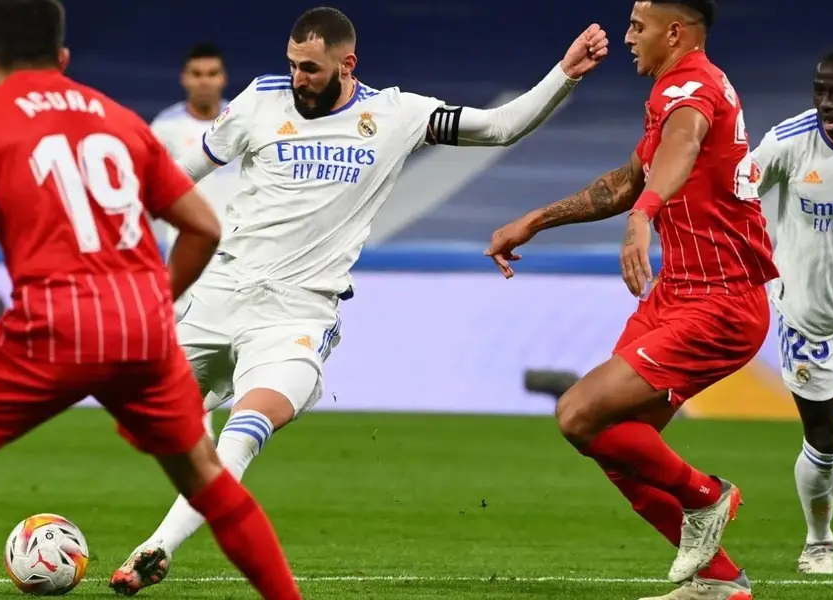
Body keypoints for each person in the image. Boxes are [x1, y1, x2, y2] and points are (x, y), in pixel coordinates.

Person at [109, 5, 609, 595]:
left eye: (312, 69)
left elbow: (500, 126)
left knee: (242, 431)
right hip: (217, 298)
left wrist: (564, 75)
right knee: (134, 415)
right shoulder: (259, 101)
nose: (298, 79)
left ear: (348, 64)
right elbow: (177, 175)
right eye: (293, 65)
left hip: (297, 316)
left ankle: (155, 550)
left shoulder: (395, 114)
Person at [0, 1, 301, 598]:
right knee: (205, 475)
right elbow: (203, 226)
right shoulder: (119, 119)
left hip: (54, 325)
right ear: (64, 57)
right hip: (142, 330)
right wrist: (156, 303)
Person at [484, 1, 772, 599]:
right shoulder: (673, 90)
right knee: (614, 446)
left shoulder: (692, 88)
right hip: (679, 293)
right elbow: (628, 180)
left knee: (577, 412)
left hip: (720, 301)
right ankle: (721, 585)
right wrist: (535, 220)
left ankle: (708, 494)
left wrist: (646, 215)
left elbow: (684, 146)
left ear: (675, 32)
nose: (628, 37)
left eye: (638, 27)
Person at [750, 46, 833, 576]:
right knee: (824, 440)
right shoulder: (788, 141)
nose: (825, 101)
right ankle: (818, 540)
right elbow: (735, 193)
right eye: (819, 89)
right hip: (808, 315)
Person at [148, 42, 239, 438]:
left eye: (212, 74)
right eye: (197, 74)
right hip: (189, 263)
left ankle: (231, 442)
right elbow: (147, 196)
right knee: (191, 361)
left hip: (243, 259)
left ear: (223, 78)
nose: (205, 82)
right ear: (186, 78)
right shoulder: (165, 129)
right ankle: (202, 449)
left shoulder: (243, 119)